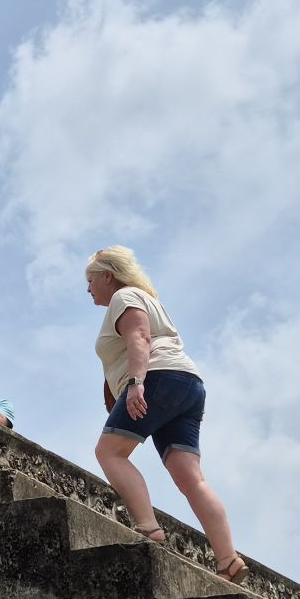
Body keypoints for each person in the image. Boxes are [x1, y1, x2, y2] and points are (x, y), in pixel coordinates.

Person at [85, 246, 245, 581]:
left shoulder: (124, 296)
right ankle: (228, 559)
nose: (88, 288)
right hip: (187, 384)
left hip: (157, 377)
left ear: (108, 276)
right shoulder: (147, 298)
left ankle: (148, 527)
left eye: (91, 280)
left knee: (109, 452)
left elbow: (139, 336)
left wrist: (135, 383)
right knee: (191, 477)